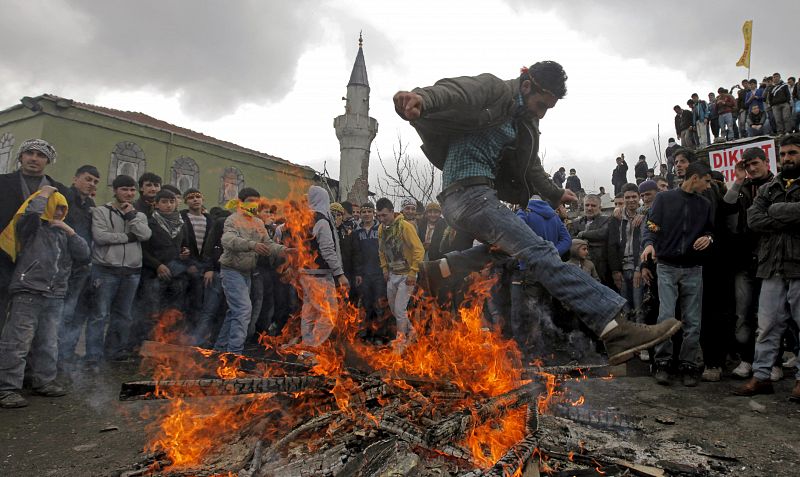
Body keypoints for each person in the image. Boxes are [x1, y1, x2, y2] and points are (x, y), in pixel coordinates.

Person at [394, 60, 680, 365]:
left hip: (476, 198)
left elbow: (531, 167)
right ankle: (613, 327)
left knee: (508, 252)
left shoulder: (526, 124)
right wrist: (422, 98)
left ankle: (441, 269)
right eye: (540, 105)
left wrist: (555, 193)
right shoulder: (495, 89)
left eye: (548, 109)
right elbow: (459, 91)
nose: (542, 113)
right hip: (468, 194)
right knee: (541, 252)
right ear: (527, 85)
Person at [0, 186, 90, 408]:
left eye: (62, 209)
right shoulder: (32, 228)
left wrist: (70, 230)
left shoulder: (63, 233)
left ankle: (43, 382)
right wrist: (43, 195)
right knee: (17, 342)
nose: (59, 212)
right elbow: (30, 215)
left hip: (55, 295)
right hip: (28, 291)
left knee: (48, 342)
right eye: (55, 207)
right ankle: (7, 389)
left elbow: (84, 253)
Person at [734, 134, 800, 399]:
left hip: (798, 264)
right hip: (771, 265)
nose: (787, 158)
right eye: (783, 154)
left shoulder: (770, 193)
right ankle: (761, 377)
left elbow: (766, 215)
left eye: (792, 153)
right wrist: (789, 215)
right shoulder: (769, 188)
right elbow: (754, 219)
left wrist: (774, 211)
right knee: (767, 324)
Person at [641, 161, 714, 387]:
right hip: (666, 266)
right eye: (706, 181)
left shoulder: (705, 204)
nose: (708, 186)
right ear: (695, 178)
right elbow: (652, 226)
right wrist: (649, 243)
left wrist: (709, 238)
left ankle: (689, 365)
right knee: (666, 316)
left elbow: (710, 229)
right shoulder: (664, 199)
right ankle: (662, 363)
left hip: (693, 268)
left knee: (693, 320)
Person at [0, 139, 68, 327]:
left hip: (38, 261)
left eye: (40, 155)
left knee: (27, 316)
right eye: (29, 153)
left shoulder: (59, 191)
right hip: (4, 255)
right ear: (21, 156)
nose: (34, 158)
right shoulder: (3, 183)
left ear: (48, 161)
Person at [85, 175, 152, 366]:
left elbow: (145, 235)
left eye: (132, 190)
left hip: (131, 271)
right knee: (99, 315)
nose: (129, 193)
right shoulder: (101, 211)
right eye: (124, 189)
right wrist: (129, 237)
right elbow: (100, 237)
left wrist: (131, 216)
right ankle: (93, 355)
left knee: (123, 315)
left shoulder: (139, 216)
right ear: (115, 190)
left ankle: (113, 351)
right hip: (105, 269)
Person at [214, 188, 286, 354]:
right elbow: (227, 240)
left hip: (247, 272)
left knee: (235, 311)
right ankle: (234, 353)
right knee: (243, 309)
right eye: (250, 201)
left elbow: (268, 244)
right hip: (231, 270)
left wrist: (284, 250)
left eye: (256, 201)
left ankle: (220, 349)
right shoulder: (232, 219)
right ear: (241, 202)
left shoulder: (258, 223)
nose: (253, 204)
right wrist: (251, 245)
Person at [724, 149, 774, 380]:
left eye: (755, 164)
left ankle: (772, 362)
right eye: (748, 165)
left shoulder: (777, 185)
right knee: (742, 314)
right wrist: (738, 179)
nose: (752, 169)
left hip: (770, 259)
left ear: (766, 162)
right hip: (744, 261)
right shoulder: (743, 187)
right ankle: (747, 360)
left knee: (768, 316)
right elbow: (727, 206)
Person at [58, 165, 101, 366]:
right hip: (63, 265)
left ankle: (66, 353)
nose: (91, 184)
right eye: (88, 179)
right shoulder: (64, 198)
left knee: (76, 313)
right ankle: (53, 356)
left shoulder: (89, 204)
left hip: (82, 267)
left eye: (95, 182)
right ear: (75, 179)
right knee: (62, 312)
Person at [299, 186, 348, 348]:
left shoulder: (304, 219)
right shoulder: (321, 221)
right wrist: (340, 274)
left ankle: (307, 346)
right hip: (320, 274)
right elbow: (327, 250)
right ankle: (312, 347)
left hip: (306, 273)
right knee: (329, 313)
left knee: (309, 312)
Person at [138, 189, 188, 344]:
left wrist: (185, 252)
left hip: (175, 275)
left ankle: (166, 343)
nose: (168, 205)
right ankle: (147, 344)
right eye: (164, 202)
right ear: (157, 204)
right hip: (153, 274)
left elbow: (184, 245)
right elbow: (142, 250)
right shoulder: (150, 223)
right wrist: (158, 265)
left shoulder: (181, 224)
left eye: (172, 201)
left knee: (172, 312)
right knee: (152, 311)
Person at [376, 197, 423, 351]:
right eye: (379, 216)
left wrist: (413, 272)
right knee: (394, 308)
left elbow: (419, 250)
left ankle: (400, 342)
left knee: (400, 309)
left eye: (384, 215)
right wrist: (384, 269)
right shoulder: (381, 229)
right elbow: (381, 250)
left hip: (407, 274)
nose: (382, 219)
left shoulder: (405, 226)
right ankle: (412, 331)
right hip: (392, 273)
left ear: (392, 212)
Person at [352, 202, 387, 342]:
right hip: (364, 274)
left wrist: (386, 270)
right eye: (364, 212)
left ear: (374, 213)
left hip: (379, 273)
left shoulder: (381, 229)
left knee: (379, 304)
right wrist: (358, 273)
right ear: (360, 214)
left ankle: (379, 334)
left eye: (369, 211)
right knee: (366, 304)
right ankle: (366, 333)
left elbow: (385, 250)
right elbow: (356, 254)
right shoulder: (357, 232)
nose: (366, 214)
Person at [608, 183, 644, 314]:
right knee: (624, 308)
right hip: (622, 268)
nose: (631, 200)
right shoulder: (616, 218)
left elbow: (644, 245)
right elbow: (612, 245)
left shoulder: (645, 216)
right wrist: (615, 270)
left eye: (634, 196)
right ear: (623, 199)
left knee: (640, 307)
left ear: (639, 197)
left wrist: (640, 268)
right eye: (627, 197)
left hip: (638, 267)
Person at [180, 188, 212, 324]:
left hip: (204, 266)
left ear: (202, 199)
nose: (195, 200)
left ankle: (195, 329)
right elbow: (179, 243)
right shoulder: (182, 219)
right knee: (184, 301)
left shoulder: (210, 220)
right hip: (186, 265)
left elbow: (212, 246)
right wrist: (188, 263)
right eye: (191, 197)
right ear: (186, 201)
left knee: (200, 302)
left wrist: (209, 267)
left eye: (198, 197)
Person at [569, 195, 612, 287]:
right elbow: (571, 239)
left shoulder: (607, 220)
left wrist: (582, 234)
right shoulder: (576, 222)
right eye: (587, 205)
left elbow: (602, 233)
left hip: (601, 266)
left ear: (600, 207)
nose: (589, 208)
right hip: (580, 266)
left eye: (593, 205)